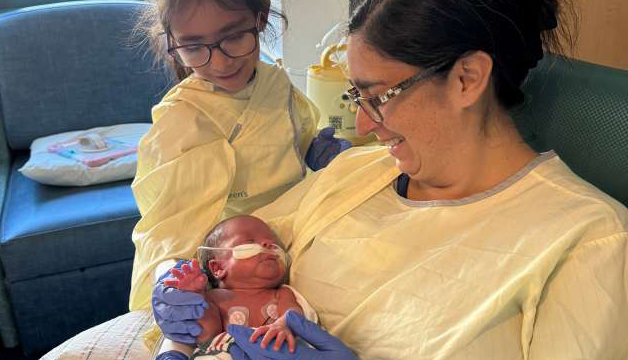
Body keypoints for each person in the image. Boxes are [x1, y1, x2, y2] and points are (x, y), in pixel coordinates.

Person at [153, 0, 628, 359]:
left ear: (467, 78)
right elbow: (215, 251)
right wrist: (174, 281)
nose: (361, 126)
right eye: (355, 95)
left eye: (377, 96)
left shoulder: (590, 242)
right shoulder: (359, 172)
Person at [130, 0, 350, 330]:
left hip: (297, 228)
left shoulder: (276, 84)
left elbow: (293, 135)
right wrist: (167, 279)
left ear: (260, 21)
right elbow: (167, 228)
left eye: (233, 37)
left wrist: (312, 149)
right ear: (173, 45)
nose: (219, 61)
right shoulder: (183, 121)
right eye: (193, 47)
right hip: (238, 260)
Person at [156, 215, 317, 360]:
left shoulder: (282, 293)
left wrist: (283, 324)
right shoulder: (214, 298)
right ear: (218, 268)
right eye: (250, 242)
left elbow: (294, 313)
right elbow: (207, 336)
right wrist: (195, 296)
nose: (268, 244)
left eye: (273, 244)